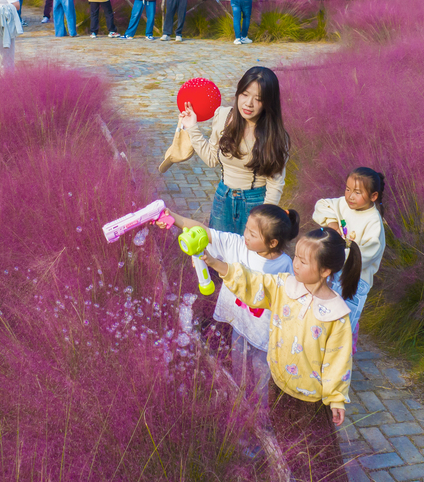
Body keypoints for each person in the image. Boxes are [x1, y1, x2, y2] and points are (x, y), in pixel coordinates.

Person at [201, 228, 358, 482]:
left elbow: (338, 360)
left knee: (316, 452)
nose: (295, 263)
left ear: (325, 271)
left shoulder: (335, 314)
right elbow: (253, 283)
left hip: (309, 399)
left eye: (303, 261)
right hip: (278, 384)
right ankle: (287, 473)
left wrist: (337, 398)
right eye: (295, 256)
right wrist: (218, 264)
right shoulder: (284, 286)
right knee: (286, 441)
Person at [164, 205, 295, 412]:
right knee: (239, 371)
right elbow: (203, 231)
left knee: (261, 379)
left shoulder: (285, 265)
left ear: (272, 242)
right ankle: (240, 411)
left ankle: (260, 417)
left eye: (252, 234)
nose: (245, 235)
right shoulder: (237, 246)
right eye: (246, 229)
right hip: (240, 327)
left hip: (265, 336)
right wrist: (171, 215)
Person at [178, 66, 289, 234]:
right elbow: (211, 159)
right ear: (238, 93)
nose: (248, 104)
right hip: (223, 198)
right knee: (218, 254)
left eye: (258, 99)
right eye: (244, 94)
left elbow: (275, 184)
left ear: (268, 102)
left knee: (248, 257)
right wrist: (192, 127)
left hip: (256, 202)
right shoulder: (223, 116)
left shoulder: (275, 136)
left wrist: (263, 219)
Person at [312, 168, 386, 347]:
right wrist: (332, 222)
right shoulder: (343, 205)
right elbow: (322, 205)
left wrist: (335, 257)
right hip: (335, 272)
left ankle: (340, 363)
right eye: (347, 189)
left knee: (343, 327)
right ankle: (319, 357)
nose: (350, 196)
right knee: (323, 319)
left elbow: (365, 254)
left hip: (355, 281)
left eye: (357, 192)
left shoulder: (373, 222)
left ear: (373, 196)